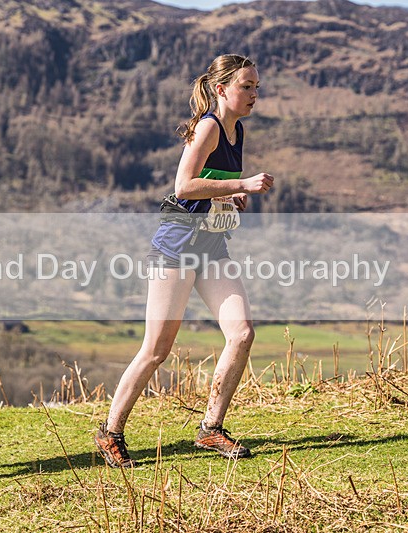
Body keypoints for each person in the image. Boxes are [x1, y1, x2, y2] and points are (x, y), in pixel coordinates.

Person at [95, 54, 274, 467]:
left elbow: (209, 187)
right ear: (221, 89)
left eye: (256, 87)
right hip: (176, 247)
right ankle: (111, 432)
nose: (253, 94)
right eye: (246, 86)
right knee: (156, 350)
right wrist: (242, 182)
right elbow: (184, 186)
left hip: (212, 246)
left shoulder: (237, 130)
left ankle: (211, 429)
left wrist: (231, 195)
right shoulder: (209, 126)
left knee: (242, 333)